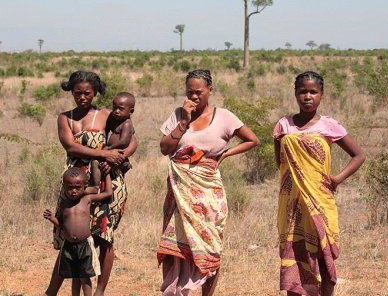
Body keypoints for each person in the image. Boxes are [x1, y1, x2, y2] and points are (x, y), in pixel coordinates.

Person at [157, 69, 260, 296]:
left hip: (208, 191)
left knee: (210, 246)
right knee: (172, 246)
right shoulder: (178, 115)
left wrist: (224, 155)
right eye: (189, 92)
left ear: (210, 91)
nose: (194, 97)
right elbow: (165, 148)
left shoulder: (224, 117)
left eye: (199, 92)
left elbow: (253, 140)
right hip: (179, 189)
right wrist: (184, 121)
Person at [45, 70, 138, 296]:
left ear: (95, 93)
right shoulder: (64, 118)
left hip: (108, 182)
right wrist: (103, 154)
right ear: (72, 93)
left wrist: (119, 158)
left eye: (87, 93)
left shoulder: (108, 114)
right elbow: (71, 147)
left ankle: (99, 292)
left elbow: (133, 141)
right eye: (78, 93)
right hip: (74, 185)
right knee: (71, 238)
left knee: (104, 238)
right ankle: (52, 291)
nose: (82, 97)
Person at [273, 71, 366, 296]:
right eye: (303, 91)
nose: (307, 96)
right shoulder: (284, 125)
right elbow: (281, 163)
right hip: (292, 204)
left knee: (324, 257)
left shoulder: (329, 125)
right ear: (295, 94)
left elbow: (358, 155)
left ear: (321, 95)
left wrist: (337, 179)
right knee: (295, 255)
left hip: (320, 200)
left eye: (313, 92)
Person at [43, 167, 112, 296]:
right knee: (74, 276)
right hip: (69, 246)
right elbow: (62, 226)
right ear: (64, 187)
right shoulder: (64, 204)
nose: (73, 191)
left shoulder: (87, 199)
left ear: (84, 187)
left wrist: (107, 174)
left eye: (77, 187)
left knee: (85, 277)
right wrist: (52, 218)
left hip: (84, 245)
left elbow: (108, 193)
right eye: (70, 187)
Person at [91, 92, 136, 186]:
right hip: (113, 152)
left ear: (131, 111)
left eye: (121, 109)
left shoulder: (127, 124)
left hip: (118, 154)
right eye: (114, 107)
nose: (116, 111)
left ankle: (96, 186)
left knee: (96, 162)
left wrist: (109, 148)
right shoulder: (116, 120)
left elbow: (123, 142)